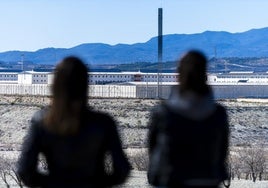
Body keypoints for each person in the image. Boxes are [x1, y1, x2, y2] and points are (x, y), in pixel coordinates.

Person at [17, 56, 130, 188]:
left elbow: (24, 170)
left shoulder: (42, 121)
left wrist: (54, 182)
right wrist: (95, 182)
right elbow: (122, 170)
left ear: (55, 85)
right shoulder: (103, 123)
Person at [147, 50, 229, 188]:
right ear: (205, 75)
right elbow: (222, 152)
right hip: (207, 180)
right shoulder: (218, 113)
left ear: (178, 74)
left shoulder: (163, 113)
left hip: (170, 180)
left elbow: (153, 150)